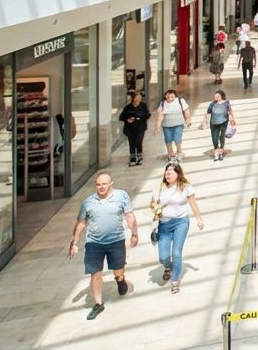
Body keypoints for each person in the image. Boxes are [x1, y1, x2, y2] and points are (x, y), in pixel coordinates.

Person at [69, 172, 138, 320]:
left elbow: (129, 216)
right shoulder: (88, 202)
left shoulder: (121, 196)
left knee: (118, 270)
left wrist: (134, 233)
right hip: (94, 243)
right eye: (98, 184)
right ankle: (98, 304)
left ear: (111, 184)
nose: (101, 187)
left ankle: (120, 279)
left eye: (104, 184)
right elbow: (81, 223)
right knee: (96, 273)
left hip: (116, 241)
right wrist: (74, 243)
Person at [150, 162, 204, 294]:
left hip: (181, 222)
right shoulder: (159, 188)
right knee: (163, 257)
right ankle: (168, 267)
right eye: (166, 172)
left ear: (177, 174)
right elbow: (152, 204)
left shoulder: (185, 187)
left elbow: (193, 203)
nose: (167, 174)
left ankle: (175, 280)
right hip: (164, 225)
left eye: (171, 172)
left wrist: (199, 218)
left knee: (176, 253)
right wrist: (155, 209)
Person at [199, 90, 236, 162]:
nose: (216, 97)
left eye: (218, 96)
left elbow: (230, 110)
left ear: (221, 96)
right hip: (213, 123)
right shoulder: (212, 104)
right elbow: (207, 113)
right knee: (214, 138)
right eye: (215, 96)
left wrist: (233, 118)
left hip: (224, 122)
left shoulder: (226, 103)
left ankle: (221, 152)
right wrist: (203, 122)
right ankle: (216, 149)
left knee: (222, 136)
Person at [155, 89, 191, 162]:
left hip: (178, 123)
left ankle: (179, 152)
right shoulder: (163, 103)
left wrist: (188, 120)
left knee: (177, 138)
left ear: (175, 96)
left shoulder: (180, 101)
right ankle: (170, 154)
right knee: (168, 139)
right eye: (167, 96)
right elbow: (160, 115)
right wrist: (157, 125)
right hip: (166, 125)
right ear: (165, 96)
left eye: (171, 96)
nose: (169, 97)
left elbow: (186, 111)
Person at [118, 92, 150, 166]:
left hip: (141, 127)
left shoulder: (143, 105)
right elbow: (121, 117)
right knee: (131, 142)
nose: (139, 98)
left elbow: (147, 115)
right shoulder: (128, 107)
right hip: (130, 128)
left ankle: (139, 155)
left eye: (140, 97)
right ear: (133, 98)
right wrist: (128, 119)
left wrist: (137, 117)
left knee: (138, 141)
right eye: (137, 97)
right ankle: (132, 156)